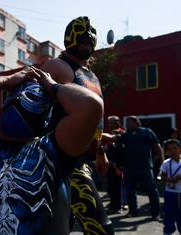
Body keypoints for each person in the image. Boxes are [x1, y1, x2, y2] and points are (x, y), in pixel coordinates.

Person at [0, 67, 103, 235]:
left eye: (36, 94)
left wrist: (52, 85)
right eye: (14, 94)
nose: (20, 97)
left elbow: (90, 105)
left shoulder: (55, 149)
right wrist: (6, 81)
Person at [41, 16, 113, 234]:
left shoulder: (91, 75)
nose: (86, 42)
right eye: (81, 38)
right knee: (101, 229)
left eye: (90, 39)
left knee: (64, 227)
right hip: (62, 162)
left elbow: (94, 119)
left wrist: (100, 149)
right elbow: (31, 108)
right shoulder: (57, 65)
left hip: (86, 158)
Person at [103, 116, 163, 218]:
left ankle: (155, 212)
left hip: (145, 167)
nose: (127, 124)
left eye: (129, 122)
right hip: (129, 168)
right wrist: (97, 132)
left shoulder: (147, 132)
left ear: (137, 122)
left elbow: (156, 146)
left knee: (151, 190)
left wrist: (162, 161)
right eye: (126, 122)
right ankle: (133, 211)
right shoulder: (126, 135)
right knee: (130, 191)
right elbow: (112, 138)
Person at [105, 115, 125, 212]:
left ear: (117, 122)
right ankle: (113, 203)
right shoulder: (108, 133)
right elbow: (99, 141)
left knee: (117, 186)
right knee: (111, 185)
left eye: (111, 122)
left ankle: (118, 206)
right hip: (109, 163)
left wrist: (118, 165)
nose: (109, 124)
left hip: (117, 164)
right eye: (108, 122)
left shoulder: (121, 132)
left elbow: (120, 151)